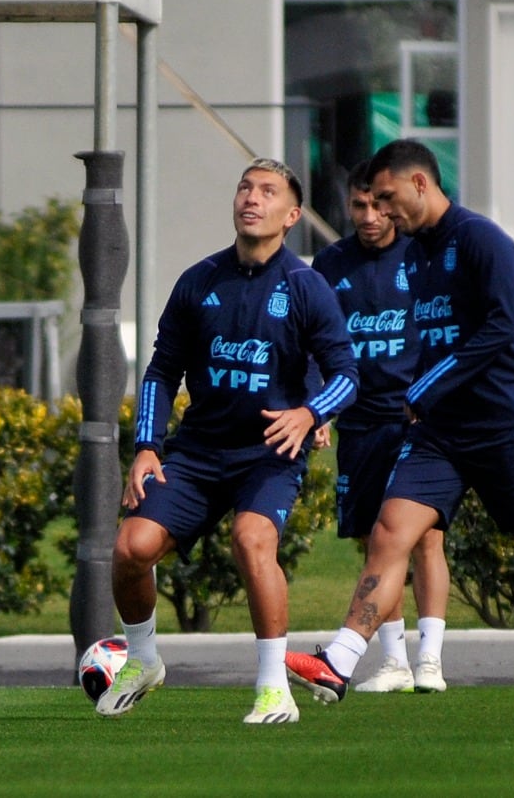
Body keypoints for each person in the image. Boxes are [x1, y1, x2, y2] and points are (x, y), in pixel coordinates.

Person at [287, 139, 514, 709]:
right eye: (369, 200)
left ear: (420, 184)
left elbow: (502, 327)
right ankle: (339, 662)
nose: (381, 210)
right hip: (439, 433)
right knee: (388, 532)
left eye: (388, 196)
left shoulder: (482, 240)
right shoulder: (418, 253)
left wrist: (426, 386)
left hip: (503, 422)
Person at [98, 158, 359, 725]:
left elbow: (347, 375)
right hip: (197, 453)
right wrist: (147, 446)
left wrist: (310, 413)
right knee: (129, 550)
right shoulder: (198, 281)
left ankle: (273, 690)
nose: (251, 198)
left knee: (251, 539)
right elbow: (161, 372)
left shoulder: (306, 287)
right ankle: (142, 660)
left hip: (267, 456)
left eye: (268, 192)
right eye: (244, 187)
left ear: (291, 215)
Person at [310, 162, 451, 693]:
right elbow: (311, 341)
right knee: (375, 544)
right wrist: (317, 406)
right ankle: (393, 662)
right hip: (361, 422)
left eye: (377, 205)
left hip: (417, 421)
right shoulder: (329, 263)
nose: (370, 217)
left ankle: (431, 662)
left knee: (426, 540)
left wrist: (432, 396)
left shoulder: (421, 256)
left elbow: (447, 333)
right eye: (358, 206)